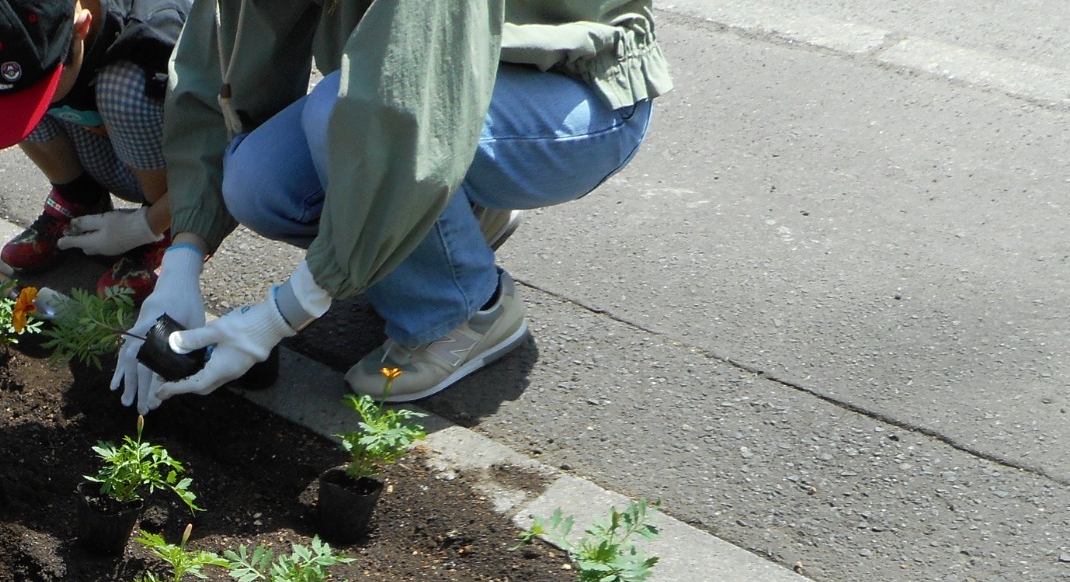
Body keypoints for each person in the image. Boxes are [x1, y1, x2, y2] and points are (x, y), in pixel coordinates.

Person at [114, 0, 669, 411]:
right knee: (259, 184)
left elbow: (399, 112)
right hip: (434, 85)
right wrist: (183, 257)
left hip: (577, 94)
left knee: (340, 117)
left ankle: (466, 312)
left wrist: (281, 315)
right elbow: (218, 66)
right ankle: (453, 225)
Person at [0, 0, 188, 303]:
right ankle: (79, 200)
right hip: (96, 134)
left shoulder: (160, 34)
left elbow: (218, 166)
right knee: (6, 103)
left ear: (81, 26)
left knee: (124, 92)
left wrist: (147, 224)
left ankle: (168, 236)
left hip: (172, 165)